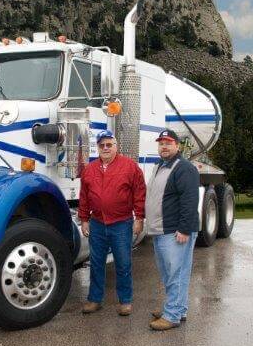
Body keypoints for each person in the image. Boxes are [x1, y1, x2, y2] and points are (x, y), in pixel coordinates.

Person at [78, 131, 146, 315]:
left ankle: (125, 301)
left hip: (121, 223)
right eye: (102, 145)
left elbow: (139, 193)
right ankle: (94, 299)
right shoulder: (90, 169)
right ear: (98, 148)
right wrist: (84, 219)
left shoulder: (130, 166)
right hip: (97, 223)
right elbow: (84, 197)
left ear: (116, 146)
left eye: (109, 144)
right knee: (96, 263)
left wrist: (139, 218)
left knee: (123, 263)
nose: (106, 148)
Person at [145, 128, 200, 331]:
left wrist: (184, 229)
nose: (164, 146)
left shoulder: (184, 168)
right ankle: (178, 308)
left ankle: (172, 315)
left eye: (168, 142)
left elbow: (190, 200)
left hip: (175, 231)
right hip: (162, 229)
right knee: (172, 273)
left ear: (177, 145)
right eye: (161, 143)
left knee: (175, 272)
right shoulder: (160, 166)